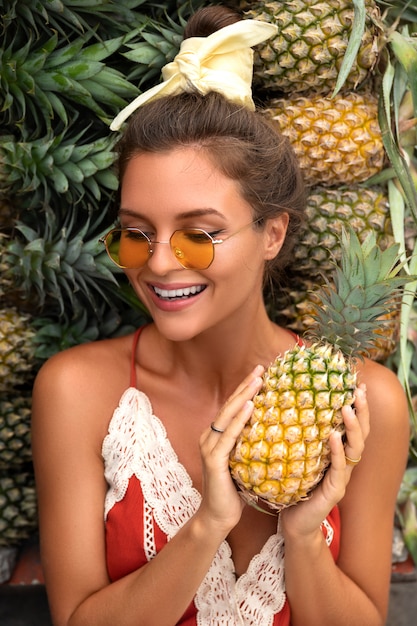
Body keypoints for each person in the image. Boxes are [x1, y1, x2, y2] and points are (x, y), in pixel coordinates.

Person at [31, 5, 410, 626]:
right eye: (134, 234)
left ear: (272, 234)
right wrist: (209, 523)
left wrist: (307, 535)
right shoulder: (78, 391)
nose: (157, 265)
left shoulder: (368, 402)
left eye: (198, 235)